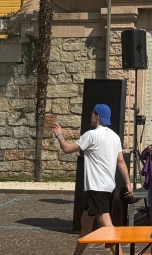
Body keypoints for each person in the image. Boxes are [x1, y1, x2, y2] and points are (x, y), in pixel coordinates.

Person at [53, 104, 133, 255]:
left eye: (92, 114)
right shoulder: (115, 137)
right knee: (86, 222)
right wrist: (128, 183)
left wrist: (59, 135)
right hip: (106, 187)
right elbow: (121, 161)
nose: (91, 117)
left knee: (106, 225)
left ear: (97, 117)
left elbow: (67, 149)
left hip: (97, 187)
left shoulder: (91, 135)